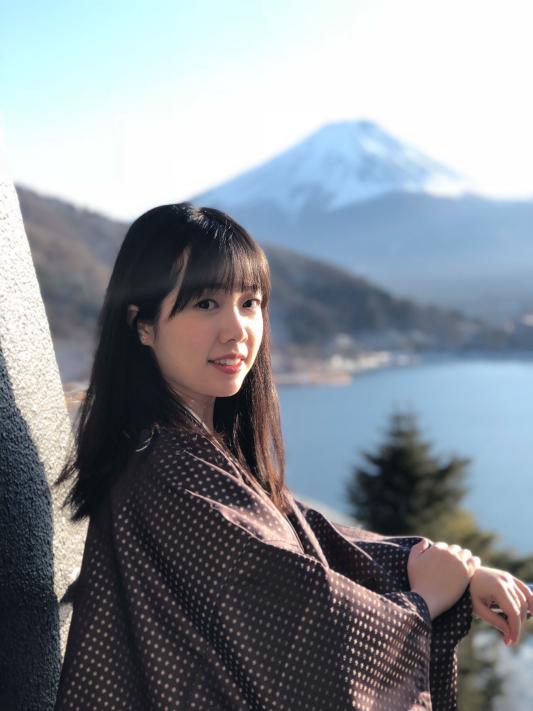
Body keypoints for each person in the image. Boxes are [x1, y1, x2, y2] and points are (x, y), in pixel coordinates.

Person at [53, 203, 532, 710]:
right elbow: (311, 632)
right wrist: (426, 600)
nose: (236, 329)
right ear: (142, 324)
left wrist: (444, 568)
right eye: (206, 303)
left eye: (250, 303)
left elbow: (311, 539)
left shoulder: (191, 450)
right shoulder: (169, 473)